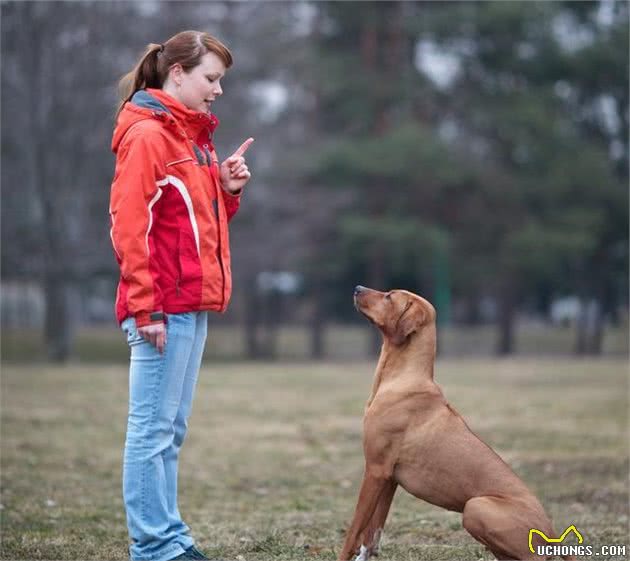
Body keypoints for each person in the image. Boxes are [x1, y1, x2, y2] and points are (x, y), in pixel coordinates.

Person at [109, 30, 253, 561]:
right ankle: (153, 548)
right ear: (177, 74)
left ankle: (170, 537)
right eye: (211, 79)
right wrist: (145, 306)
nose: (218, 91)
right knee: (150, 432)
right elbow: (129, 226)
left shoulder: (192, 138)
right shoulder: (149, 136)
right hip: (161, 309)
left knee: (170, 431)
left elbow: (191, 226)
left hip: (190, 306)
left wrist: (227, 190)